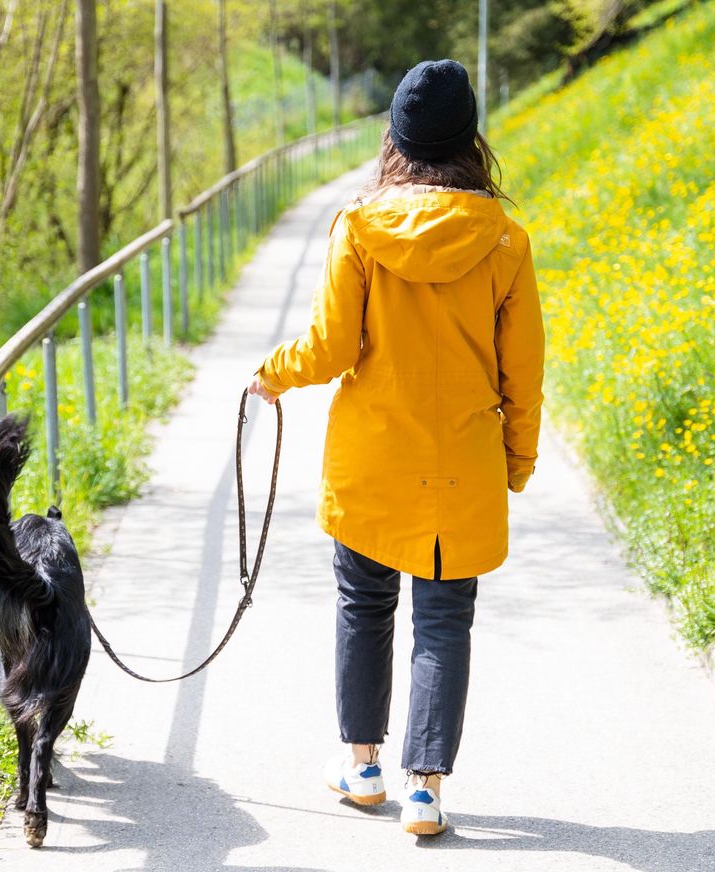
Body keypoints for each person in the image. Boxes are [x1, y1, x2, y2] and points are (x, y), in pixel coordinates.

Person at [248, 58, 544, 837]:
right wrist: (517, 460)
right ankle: (427, 791)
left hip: (371, 463)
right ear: (470, 140)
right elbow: (525, 372)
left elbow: (330, 346)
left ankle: (363, 766)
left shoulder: (360, 226)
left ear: (398, 138)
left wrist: (269, 377)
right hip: (462, 467)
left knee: (363, 605)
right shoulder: (508, 240)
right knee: (444, 621)